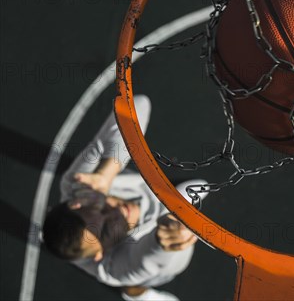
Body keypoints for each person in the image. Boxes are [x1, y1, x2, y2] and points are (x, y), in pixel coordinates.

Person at [43, 95, 205, 301]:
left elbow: (138, 103)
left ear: (76, 203)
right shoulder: (114, 268)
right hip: (157, 267)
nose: (116, 212)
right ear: (101, 254)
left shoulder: (78, 186)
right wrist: (163, 241)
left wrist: (107, 172)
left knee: (195, 186)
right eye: (106, 230)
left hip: (146, 195)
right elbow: (151, 258)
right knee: (136, 281)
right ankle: (136, 295)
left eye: (99, 208)